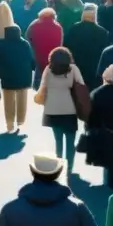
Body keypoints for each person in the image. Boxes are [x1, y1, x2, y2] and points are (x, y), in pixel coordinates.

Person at [36, 47, 85, 180]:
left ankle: (58, 165)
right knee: (70, 141)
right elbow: (81, 85)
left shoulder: (48, 69)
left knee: (58, 140)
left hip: (52, 109)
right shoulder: (73, 69)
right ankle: (69, 168)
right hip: (69, 109)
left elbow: (42, 87)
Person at [0, 24, 36, 134]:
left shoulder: (2, 44)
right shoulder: (25, 44)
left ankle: (9, 123)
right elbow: (31, 59)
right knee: (22, 99)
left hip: (7, 76)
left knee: (8, 101)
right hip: (23, 75)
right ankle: (20, 121)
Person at [63, 4, 108, 91]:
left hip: (77, 65)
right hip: (94, 67)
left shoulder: (73, 29)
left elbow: (66, 46)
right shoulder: (102, 32)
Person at [26, 7, 63, 90]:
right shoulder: (58, 27)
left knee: (38, 75)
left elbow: (27, 37)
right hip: (51, 56)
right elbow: (60, 43)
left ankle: (37, 90)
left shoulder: (34, 25)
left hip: (38, 54)